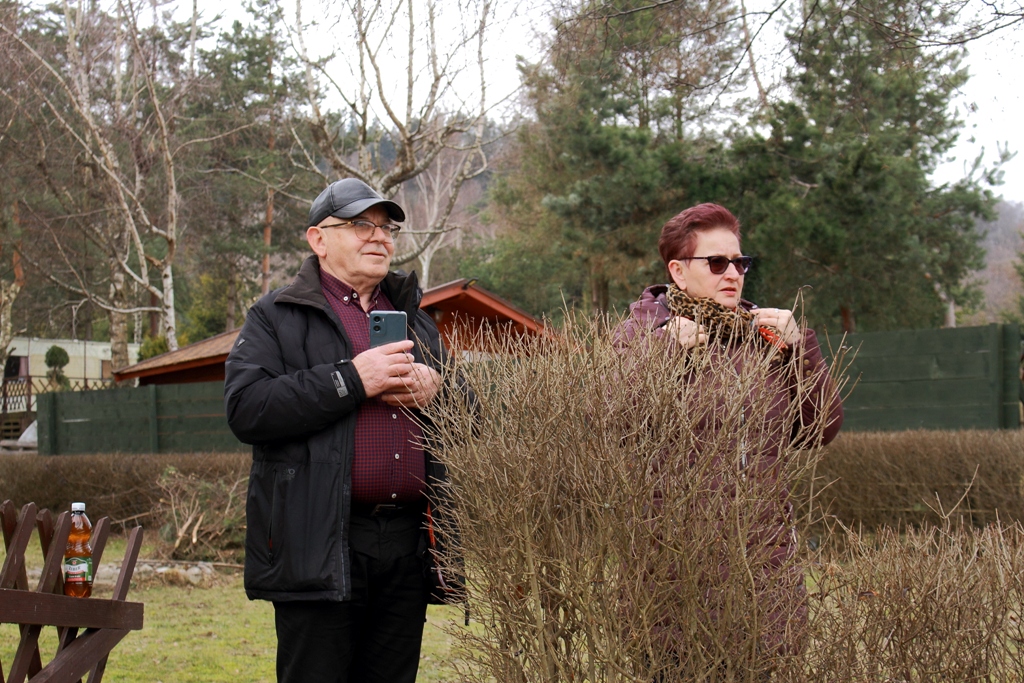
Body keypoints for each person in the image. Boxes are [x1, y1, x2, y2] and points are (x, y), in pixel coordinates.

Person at [224, 178, 465, 683]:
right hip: (319, 542)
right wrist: (352, 379)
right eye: (360, 225)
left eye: (386, 227)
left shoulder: (414, 319)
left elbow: (473, 420)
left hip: (406, 545)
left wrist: (439, 390)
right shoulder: (276, 315)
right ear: (318, 239)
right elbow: (247, 409)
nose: (379, 237)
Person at [613, 202, 844, 671]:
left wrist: (799, 350)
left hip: (763, 562)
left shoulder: (765, 337)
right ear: (678, 271)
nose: (733, 274)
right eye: (716, 263)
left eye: (740, 262)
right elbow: (612, 420)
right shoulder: (641, 333)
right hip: (672, 564)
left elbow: (818, 430)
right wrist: (663, 353)